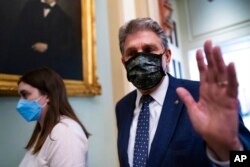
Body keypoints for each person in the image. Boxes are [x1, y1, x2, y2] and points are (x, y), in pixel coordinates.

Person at [115, 17, 250, 167]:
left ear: (167, 56)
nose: (140, 59)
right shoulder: (122, 107)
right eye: (132, 53)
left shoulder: (200, 97)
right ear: (124, 62)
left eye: (149, 50)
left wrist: (228, 150)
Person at [16, 67, 89, 166]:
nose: (20, 103)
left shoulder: (65, 132)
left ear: (47, 96)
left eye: (25, 95)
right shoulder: (44, 131)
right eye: (19, 96)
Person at [6, 0, 82, 80]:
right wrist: (30, 45)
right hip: (26, 63)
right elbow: (17, 34)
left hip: (48, 69)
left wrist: (48, 48)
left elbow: (67, 48)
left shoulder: (65, 19)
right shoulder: (29, 7)